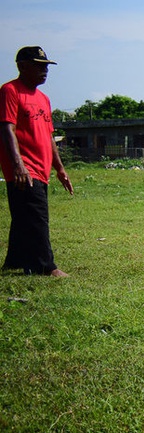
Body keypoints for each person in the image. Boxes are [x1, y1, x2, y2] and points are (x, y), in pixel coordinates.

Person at [1, 46, 72, 277]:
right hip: (25, 168)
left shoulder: (43, 99)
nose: (45, 71)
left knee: (24, 215)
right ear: (22, 66)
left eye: (46, 66)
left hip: (42, 168)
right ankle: (45, 265)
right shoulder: (10, 91)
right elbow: (6, 128)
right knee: (37, 215)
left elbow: (49, 135)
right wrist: (18, 163)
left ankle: (15, 261)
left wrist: (60, 169)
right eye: (39, 65)